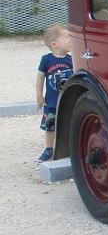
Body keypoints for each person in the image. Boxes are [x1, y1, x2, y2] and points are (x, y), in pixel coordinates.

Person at [36, 24, 72, 162]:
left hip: (67, 100)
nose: (70, 40)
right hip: (51, 100)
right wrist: (39, 95)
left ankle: (67, 148)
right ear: (54, 44)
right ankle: (49, 149)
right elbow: (40, 77)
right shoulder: (46, 59)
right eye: (66, 37)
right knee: (50, 124)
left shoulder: (71, 60)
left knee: (67, 123)